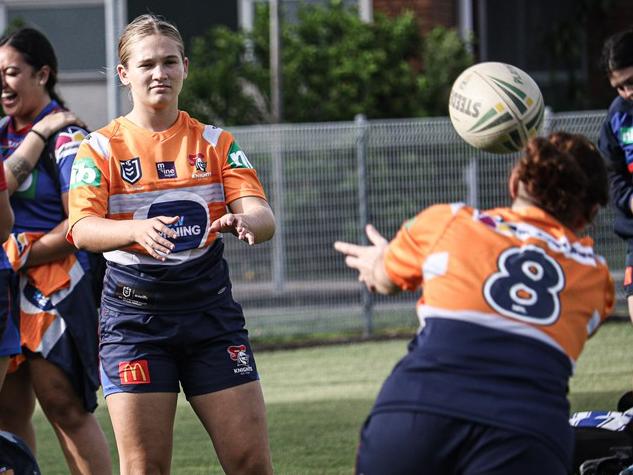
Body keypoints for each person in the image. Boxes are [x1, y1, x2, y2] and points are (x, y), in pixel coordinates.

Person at [67, 14, 276, 474]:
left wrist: (247, 221)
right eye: (146, 65)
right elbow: (81, 228)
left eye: (168, 62)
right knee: (144, 469)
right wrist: (133, 231)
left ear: (185, 67)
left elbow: (263, 216)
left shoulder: (216, 142)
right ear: (125, 74)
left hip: (210, 315)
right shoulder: (100, 148)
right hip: (134, 321)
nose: (158, 73)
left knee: (251, 464)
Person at [334, 132, 614, 474]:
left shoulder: (448, 220)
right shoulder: (597, 279)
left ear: (514, 182)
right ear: (590, 212)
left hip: (417, 412)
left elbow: (383, 277)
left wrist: (380, 259)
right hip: (527, 431)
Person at [0, 27, 112, 474]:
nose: (2, 83)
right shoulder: (5, 134)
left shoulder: (70, 137)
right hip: (4, 291)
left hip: (54, 289)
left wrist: (24, 250)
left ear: (42, 73)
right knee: (8, 416)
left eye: (11, 72)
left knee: (64, 408)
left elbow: (80, 223)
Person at [598, 28, 633, 326]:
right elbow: (613, 177)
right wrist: (630, 200)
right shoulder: (617, 117)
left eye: (632, 82)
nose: (627, 93)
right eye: (620, 87)